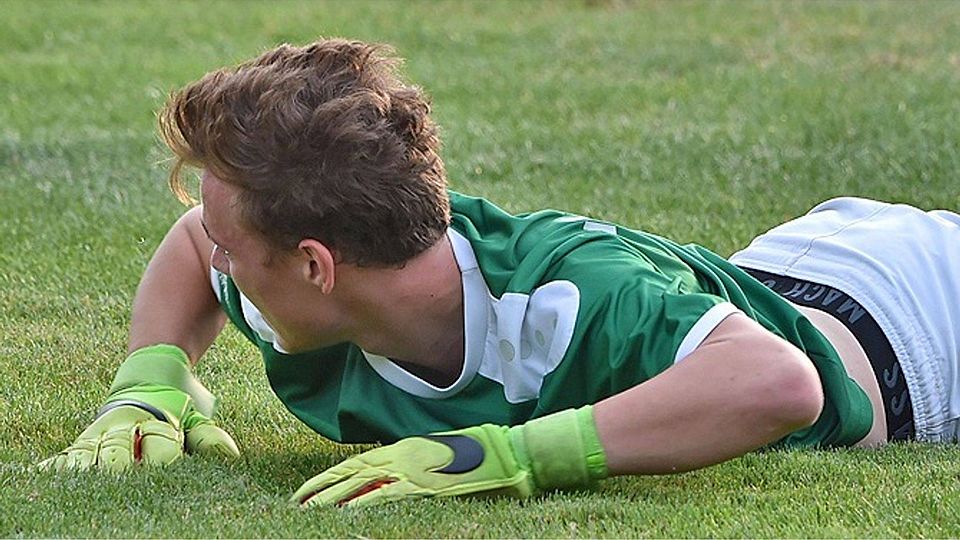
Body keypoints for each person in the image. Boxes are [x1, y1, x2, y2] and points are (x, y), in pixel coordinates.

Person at [40, 39, 960, 508]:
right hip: (792, 271)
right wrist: (150, 387)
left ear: (317, 266)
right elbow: (195, 245)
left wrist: (511, 456)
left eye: (234, 241)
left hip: (921, 324)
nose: (219, 255)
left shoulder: (561, 293)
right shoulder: (312, 273)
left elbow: (780, 383)